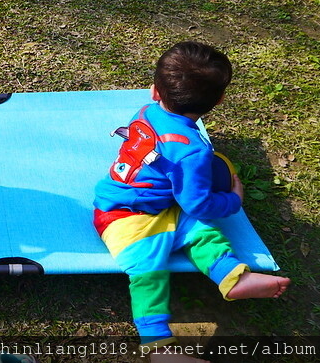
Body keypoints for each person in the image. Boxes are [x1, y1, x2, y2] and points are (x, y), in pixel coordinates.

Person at [92, 41, 290, 361]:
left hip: (161, 204)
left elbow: (187, 200)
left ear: (154, 91)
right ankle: (157, 347)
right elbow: (198, 203)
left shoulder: (146, 111)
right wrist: (231, 201)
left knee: (200, 233)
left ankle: (233, 277)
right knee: (148, 272)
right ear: (220, 99)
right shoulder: (193, 152)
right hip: (122, 217)